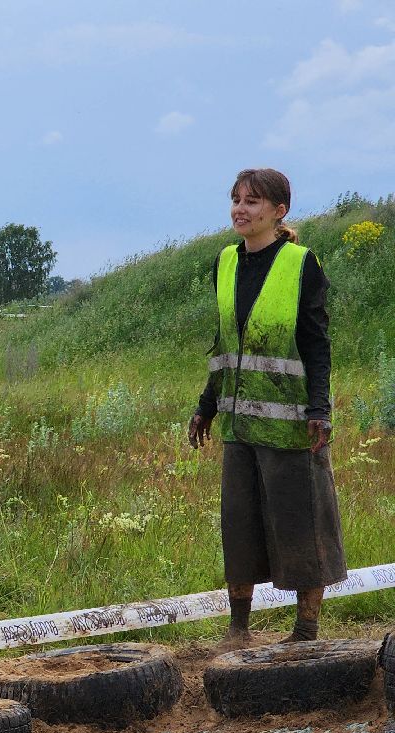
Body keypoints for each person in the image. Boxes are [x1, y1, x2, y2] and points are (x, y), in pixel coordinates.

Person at [188, 167, 344, 646]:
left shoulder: (301, 264)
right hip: (238, 427)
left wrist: (320, 410)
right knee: (240, 528)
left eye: (252, 201)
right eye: (236, 199)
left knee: (301, 524)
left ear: (279, 212)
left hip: (291, 426)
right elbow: (225, 345)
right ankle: (239, 629)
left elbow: (316, 345)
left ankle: (305, 631)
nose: (240, 208)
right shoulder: (226, 263)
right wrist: (206, 406)